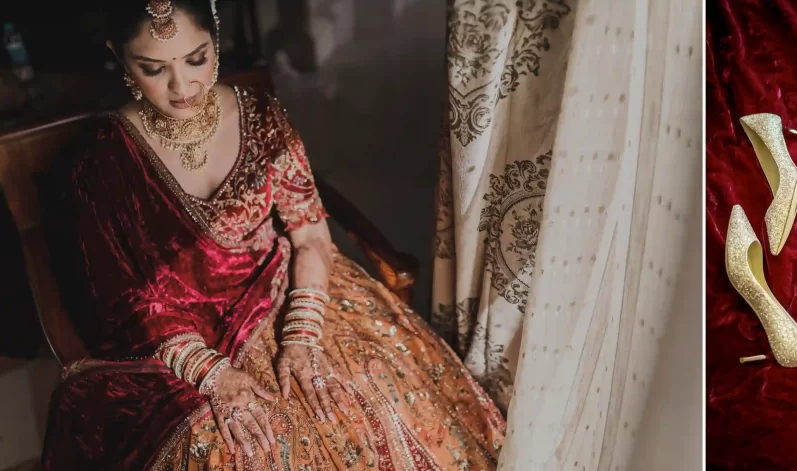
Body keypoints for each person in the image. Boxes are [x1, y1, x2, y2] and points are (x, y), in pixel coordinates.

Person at [41, 1, 504, 469]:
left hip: (283, 286)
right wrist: (216, 378)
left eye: (196, 59)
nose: (182, 88)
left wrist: (301, 337)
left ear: (216, 41)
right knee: (244, 450)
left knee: (372, 389)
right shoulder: (102, 160)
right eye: (154, 69)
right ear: (119, 59)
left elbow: (311, 236)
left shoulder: (261, 117)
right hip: (177, 342)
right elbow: (124, 302)